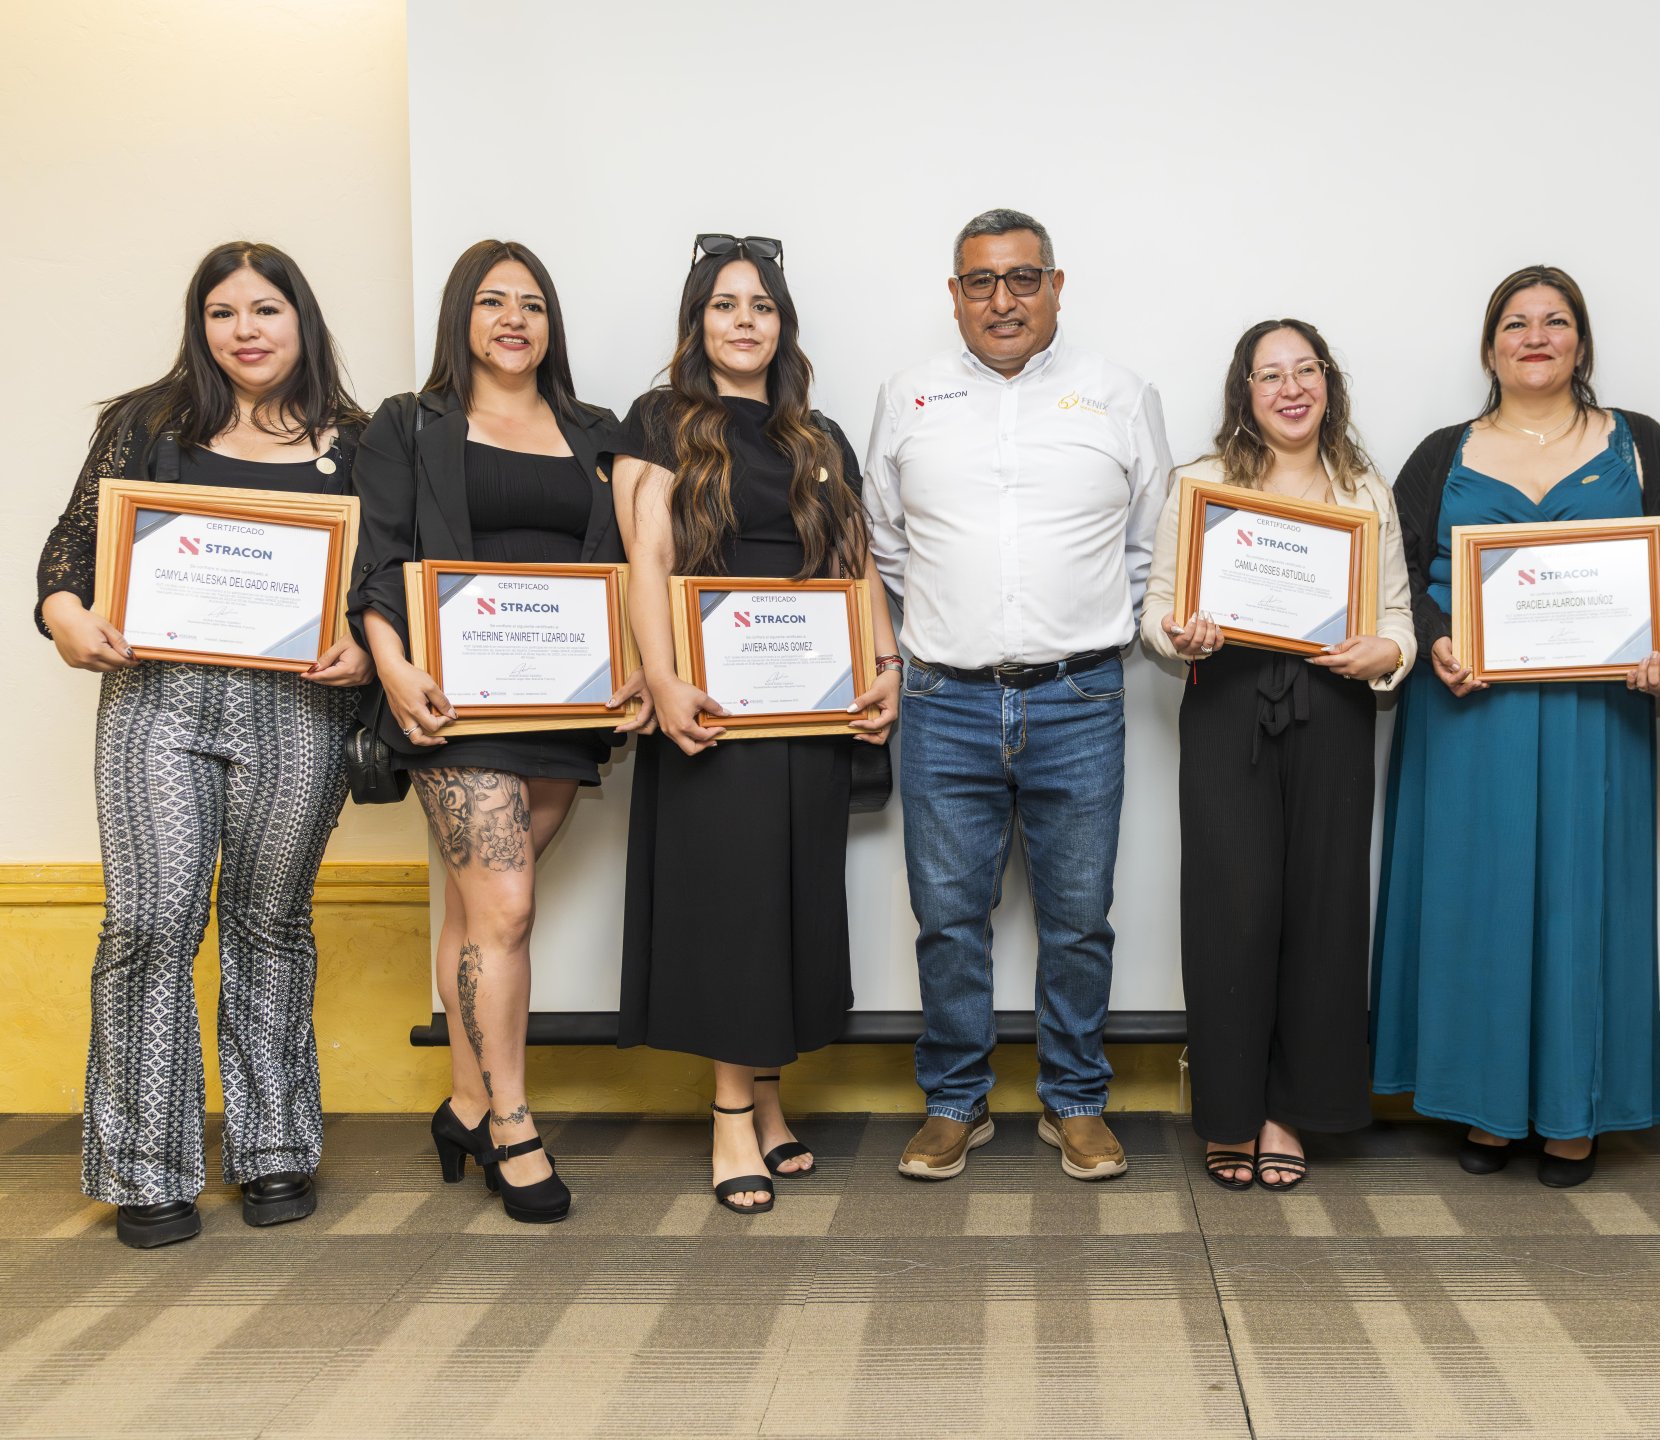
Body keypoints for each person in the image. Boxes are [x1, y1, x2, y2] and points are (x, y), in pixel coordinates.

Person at [34, 241, 375, 1247]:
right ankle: (146, 1170)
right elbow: (70, 550)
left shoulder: (360, 442)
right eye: (224, 313)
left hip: (300, 707)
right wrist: (63, 615)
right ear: (201, 326)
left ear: (301, 320)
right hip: (157, 699)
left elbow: (385, 580)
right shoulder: (145, 424)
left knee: (270, 922)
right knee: (149, 923)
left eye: (266, 310)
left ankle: (275, 1151)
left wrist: (365, 645)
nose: (246, 330)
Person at [1374, 264, 1660, 1188]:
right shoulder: (1442, 453)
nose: (1536, 337)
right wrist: (1436, 639)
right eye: (1516, 323)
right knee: (1476, 901)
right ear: (1490, 349)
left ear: (1581, 343)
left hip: (1597, 717)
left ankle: (1571, 1111)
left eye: (1556, 321)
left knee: (1579, 901)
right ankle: (1482, 1104)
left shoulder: (1640, 444)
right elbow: (1394, 576)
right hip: (1468, 715)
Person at [864, 208, 1171, 1182]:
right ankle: (954, 1102)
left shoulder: (1120, 395)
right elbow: (885, 542)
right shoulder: (907, 396)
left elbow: (1150, 547)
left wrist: (1077, 626)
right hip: (943, 703)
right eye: (982, 282)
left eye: (1023, 278)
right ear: (955, 295)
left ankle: (1074, 1100)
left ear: (1056, 286)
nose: (1004, 300)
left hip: (1079, 700)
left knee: (1078, 918)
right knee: (948, 919)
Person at [350, 239, 647, 1225]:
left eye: (531, 303)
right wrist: (393, 667)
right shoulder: (408, 424)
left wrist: (639, 665)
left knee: (479, 913)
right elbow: (379, 558)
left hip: (563, 706)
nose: (513, 319)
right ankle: (512, 1123)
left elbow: (634, 562)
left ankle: (464, 1105)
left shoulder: (597, 431)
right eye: (491, 301)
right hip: (453, 703)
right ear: (461, 317)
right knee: (508, 906)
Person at [610, 234, 899, 1214]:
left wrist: (886, 668)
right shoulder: (659, 421)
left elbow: (856, 563)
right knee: (733, 907)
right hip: (712, 705)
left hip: (810, 708)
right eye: (725, 304)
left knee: (788, 901)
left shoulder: (817, 436)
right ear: (698, 322)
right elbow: (648, 560)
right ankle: (731, 1115)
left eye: (762, 306)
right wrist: (663, 680)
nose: (744, 321)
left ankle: (768, 1101)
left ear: (784, 325)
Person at [1139, 319, 1413, 1191]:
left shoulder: (1366, 488)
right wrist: (1179, 634)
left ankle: (1291, 1111)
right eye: (1271, 375)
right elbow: (1156, 610)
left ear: (1329, 383)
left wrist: (1388, 652)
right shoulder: (1201, 484)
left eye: (1306, 370)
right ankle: (1230, 1111)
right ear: (1245, 393)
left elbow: (1397, 615)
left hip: (1334, 711)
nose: (1291, 389)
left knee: (1323, 912)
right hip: (1227, 709)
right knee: (1233, 913)